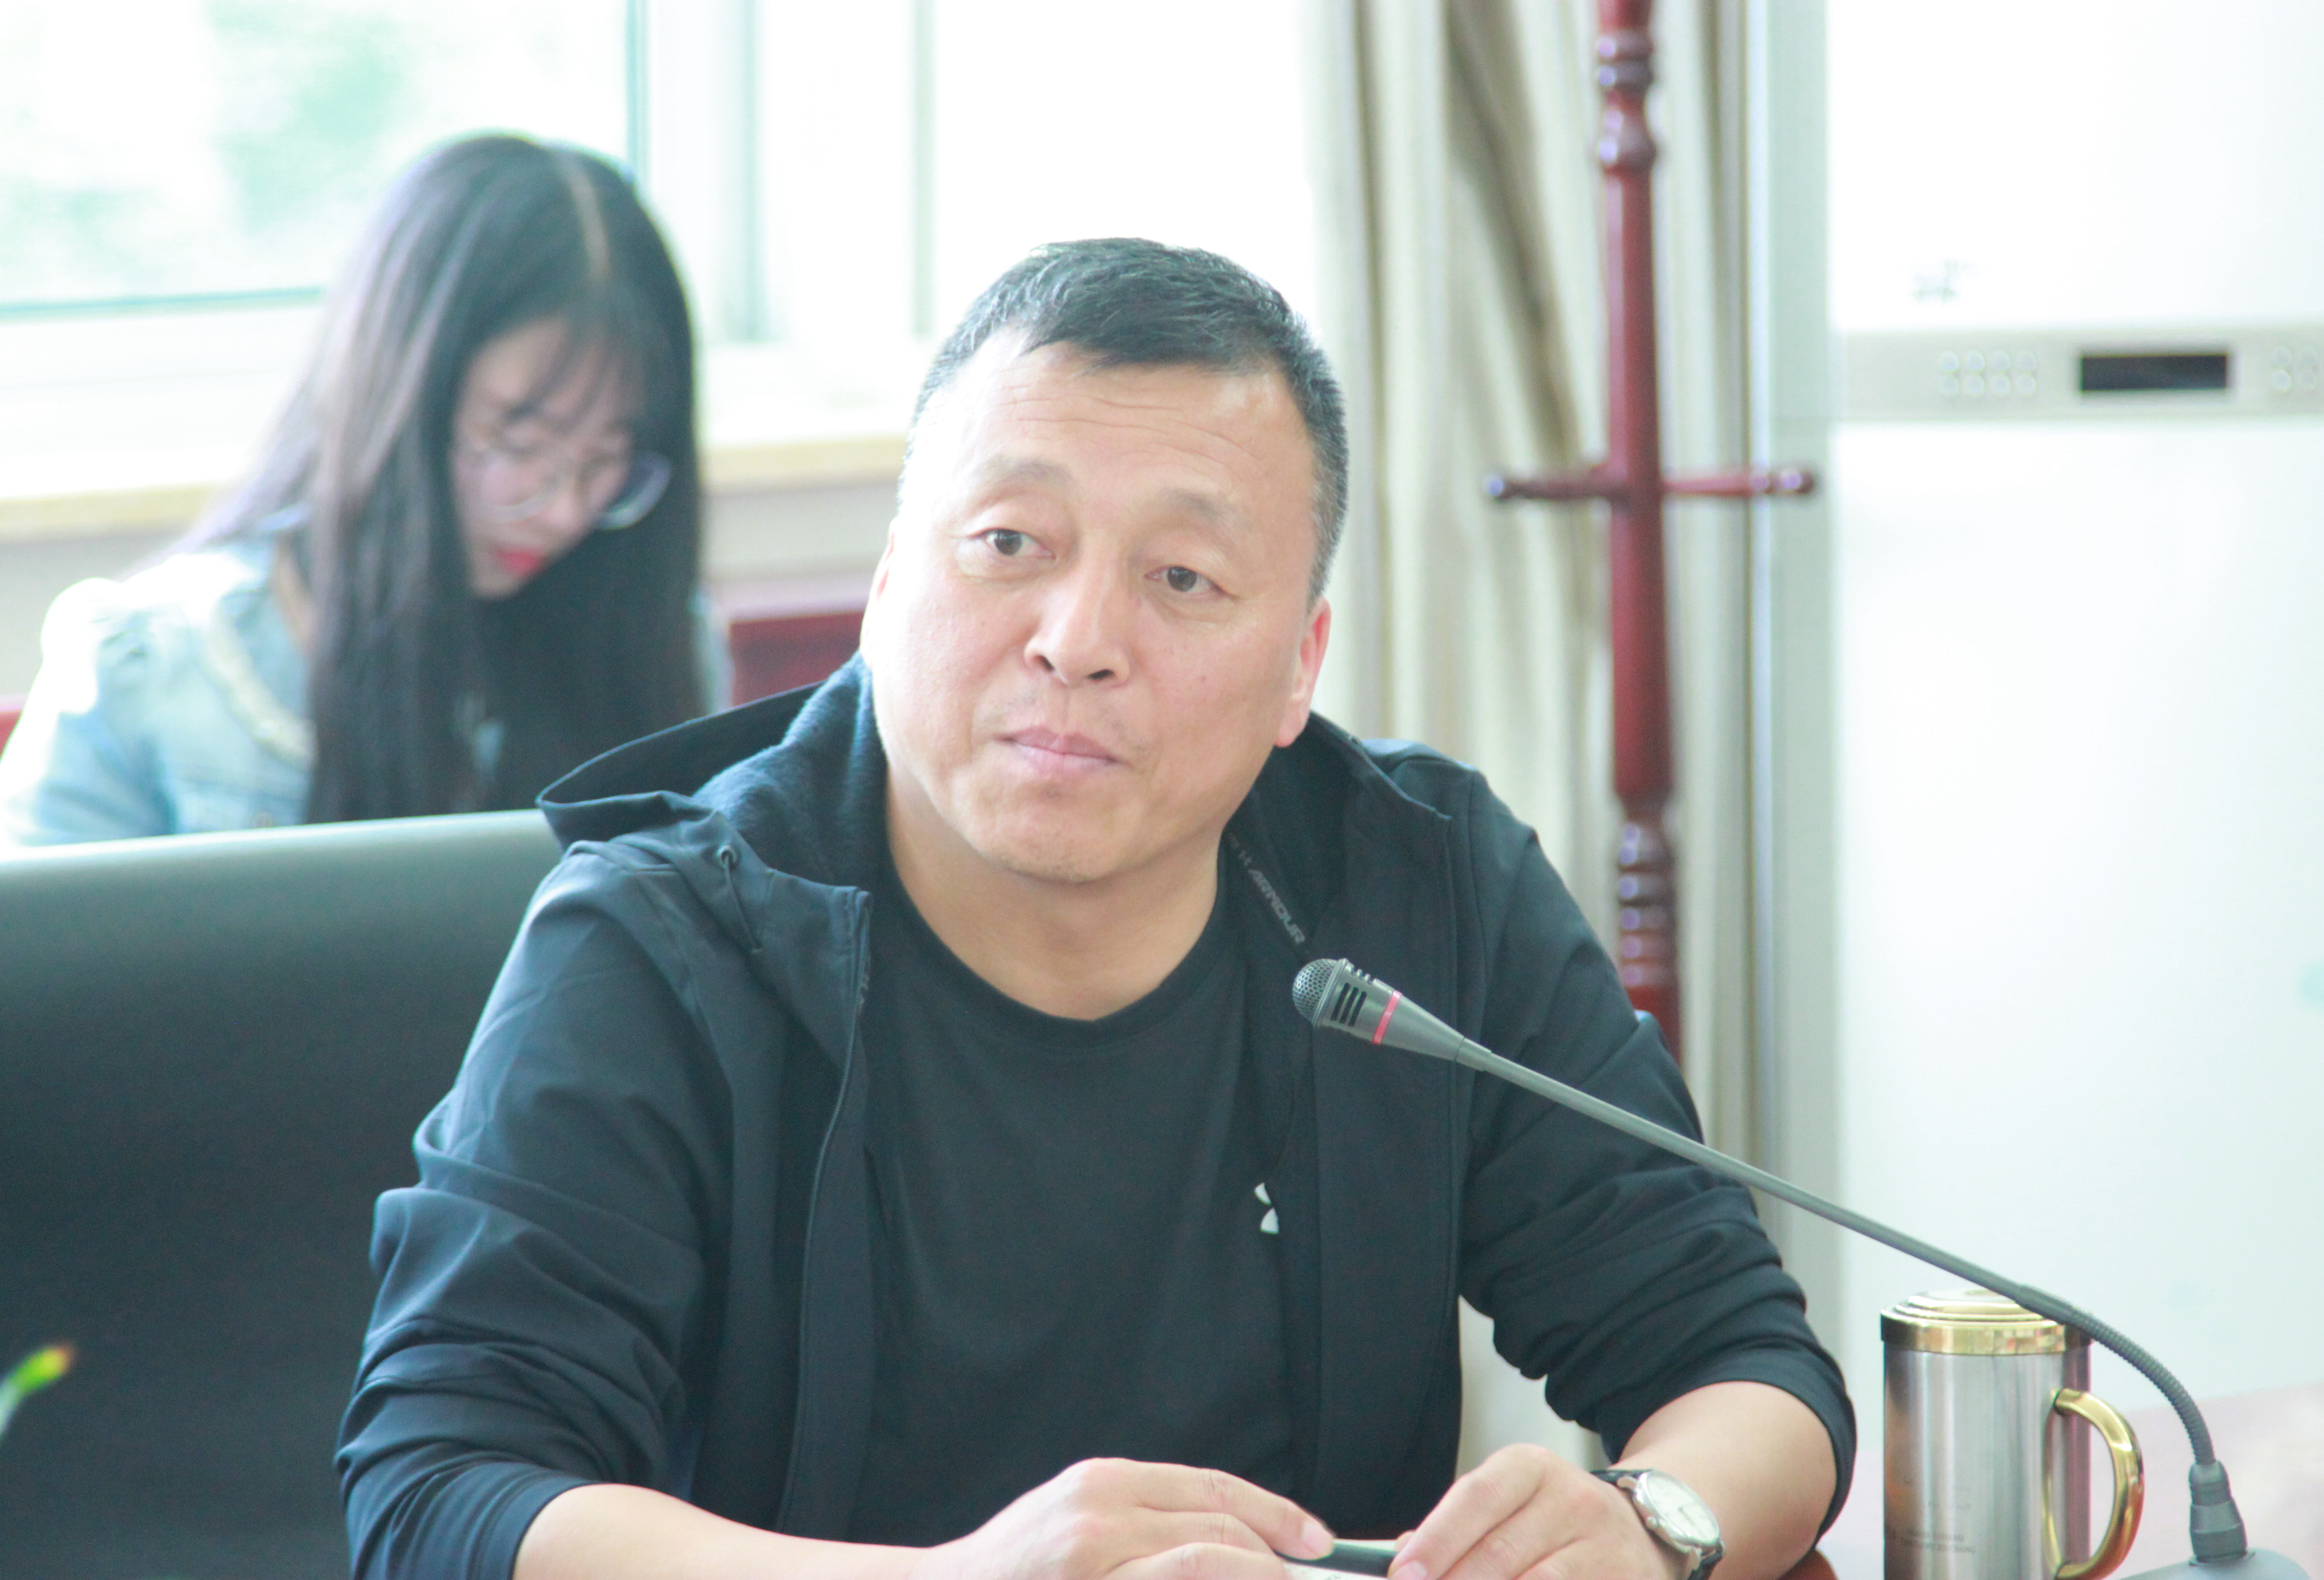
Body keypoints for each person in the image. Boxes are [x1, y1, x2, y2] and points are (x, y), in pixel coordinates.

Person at [341, 239, 1854, 1580]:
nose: (1078, 641)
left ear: (1301, 665)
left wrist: (1656, 1528)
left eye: (1184, 577)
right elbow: (439, 1496)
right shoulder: (664, 942)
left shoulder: (1414, 888)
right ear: (887, 583)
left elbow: (1745, 1363)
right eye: (1011, 544)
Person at [0, 134, 721, 848]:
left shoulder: (659, 639)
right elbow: (35, 933)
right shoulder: (154, 663)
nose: (563, 512)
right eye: (520, 445)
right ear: (399, 400)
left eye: (607, 458)